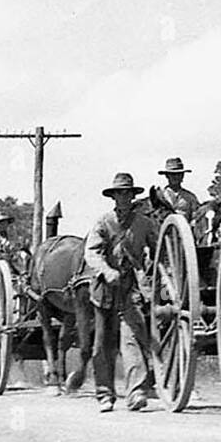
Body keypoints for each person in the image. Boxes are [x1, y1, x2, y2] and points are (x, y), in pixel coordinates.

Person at [84, 173, 159, 413]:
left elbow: (159, 250)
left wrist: (152, 273)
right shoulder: (103, 223)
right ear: (113, 196)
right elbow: (92, 253)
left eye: (128, 193)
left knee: (132, 338)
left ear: (133, 196)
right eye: (120, 193)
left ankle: (136, 392)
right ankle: (105, 394)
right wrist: (106, 270)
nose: (124, 197)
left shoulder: (144, 223)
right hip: (104, 289)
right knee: (102, 345)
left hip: (130, 289)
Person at [151, 157, 201, 222]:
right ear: (167, 176)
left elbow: (196, 217)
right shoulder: (159, 196)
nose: (176, 177)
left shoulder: (190, 198)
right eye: (173, 174)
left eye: (179, 174)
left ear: (183, 176)